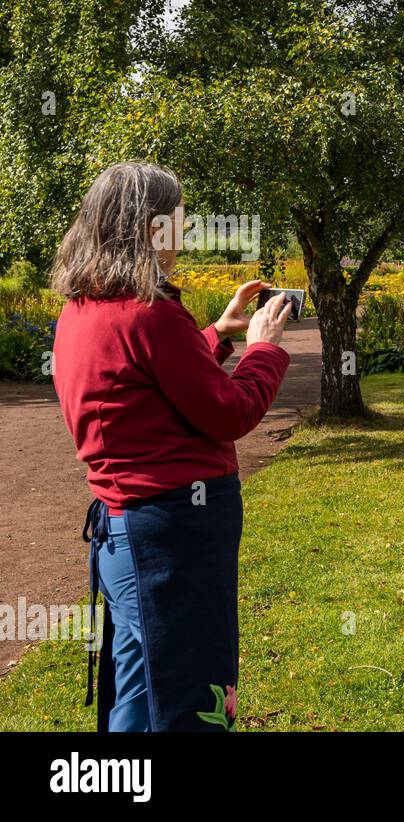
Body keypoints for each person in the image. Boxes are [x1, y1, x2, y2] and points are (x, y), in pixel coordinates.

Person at [51, 161, 293, 731]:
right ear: (149, 228)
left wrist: (217, 333)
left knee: (139, 684)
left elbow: (152, 391)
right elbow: (228, 412)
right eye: (176, 223)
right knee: (187, 691)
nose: (182, 236)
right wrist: (263, 350)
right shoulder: (151, 315)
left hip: (124, 533)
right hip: (171, 536)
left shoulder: (83, 310)